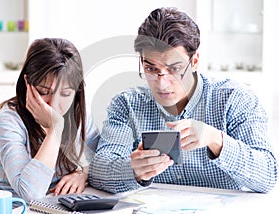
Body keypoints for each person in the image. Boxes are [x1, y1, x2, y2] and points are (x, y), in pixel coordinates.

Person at [89, 7, 278, 193]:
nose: (162, 84)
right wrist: (134, 171)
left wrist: (216, 140)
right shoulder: (127, 104)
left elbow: (268, 176)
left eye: (175, 69)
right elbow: (99, 173)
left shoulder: (234, 99)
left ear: (194, 62)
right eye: (151, 69)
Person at [0, 38, 99, 203]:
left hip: (55, 205)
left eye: (66, 94)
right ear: (27, 83)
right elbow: (31, 193)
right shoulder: (8, 121)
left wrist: (82, 174)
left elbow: (100, 159)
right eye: (43, 91)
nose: (54, 104)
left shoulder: (79, 114)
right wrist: (55, 128)